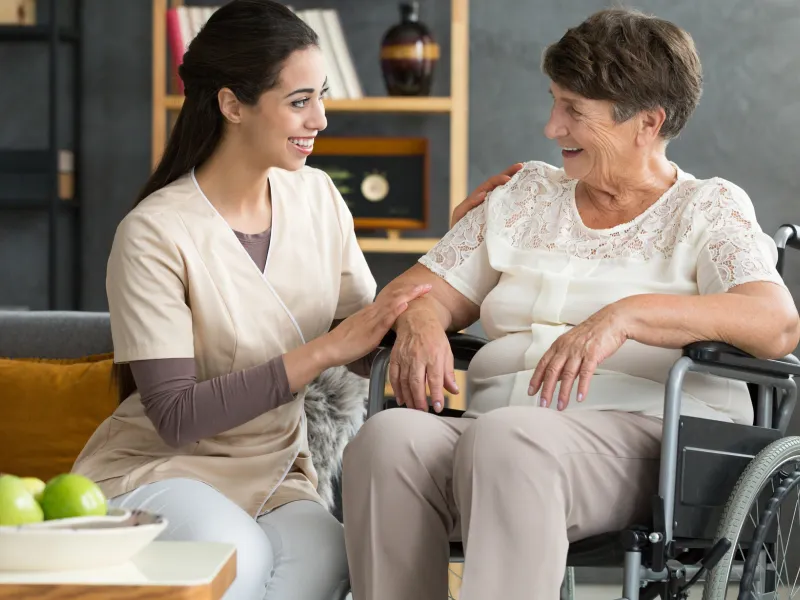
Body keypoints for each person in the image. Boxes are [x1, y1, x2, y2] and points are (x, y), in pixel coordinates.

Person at [341, 8, 800, 599]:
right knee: (389, 440)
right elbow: (418, 290)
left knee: (508, 439)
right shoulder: (526, 194)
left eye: (573, 111)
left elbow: (776, 323)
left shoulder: (708, 209)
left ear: (646, 123)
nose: (551, 127)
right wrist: (423, 321)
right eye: (555, 101)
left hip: (645, 442)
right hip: (495, 428)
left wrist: (627, 314)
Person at [69, 1, 517, 599]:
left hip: (280, 472)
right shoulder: (153, 234)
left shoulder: (318, 198)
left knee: (332, 557)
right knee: (241, 558)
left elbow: (366, 343)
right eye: (300, 101)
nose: (322, 119)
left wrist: (464, 240)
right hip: (161, 469)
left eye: (322, 97)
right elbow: (176, 417)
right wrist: (325, 349)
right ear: (232, 104)